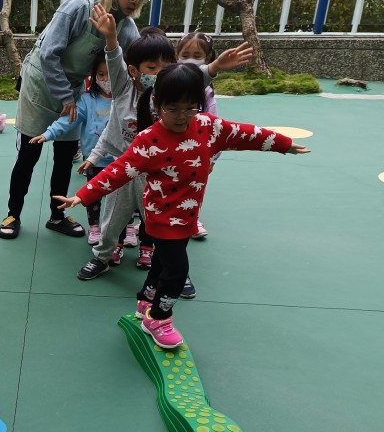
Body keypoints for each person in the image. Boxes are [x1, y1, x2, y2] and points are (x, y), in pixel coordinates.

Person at [54, 63, 310, 349]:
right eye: (173, 109)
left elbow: (245, 133)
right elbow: (118, 170)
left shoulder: (208, 127)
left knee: (161, 264)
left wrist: (283, 144)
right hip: (161, 218)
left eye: (190, 108)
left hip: (188, 215)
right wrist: (83, 195)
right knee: (176, 272)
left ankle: (145, 301)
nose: (182, 116)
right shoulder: (149, 141)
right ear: (157, 105)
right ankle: (158, 319)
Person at [0, 0, 152, 241]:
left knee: (65, 154)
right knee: (29, 153)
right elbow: (49, 54)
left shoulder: (127, 28)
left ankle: (57, 216)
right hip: (40, 84)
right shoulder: (79, 6)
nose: (136, 0)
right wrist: (66, 98)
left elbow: (134, 68)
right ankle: (13, 214)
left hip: (73, 89)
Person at [72, 22, 176, 280]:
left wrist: (214, 69)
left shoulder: (168, 96)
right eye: (152, 67)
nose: (159, 73)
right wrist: (110, 38)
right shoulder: (123, 89)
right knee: (111, 220)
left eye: (165, 67)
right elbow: (111, 131)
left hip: (154, 174)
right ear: (133, 71)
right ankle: (102, 257)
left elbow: (193, 83)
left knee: (160, 223)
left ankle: (175, 270)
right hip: (123, 169)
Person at [29, 49, 112, 246]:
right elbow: (68, 120)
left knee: (120, 199)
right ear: (93, 75)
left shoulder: (125, 99)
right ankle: (94, 227)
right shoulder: (87, 100)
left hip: (120, 160)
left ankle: (124, 229)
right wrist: (48, 134)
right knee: (93, 196)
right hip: (94, 159)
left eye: (110, 74)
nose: (105, 79)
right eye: (101, 74)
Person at [176, 31, 219, 240]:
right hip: (171, 144)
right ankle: (150, 215)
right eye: (185, 55)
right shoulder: (170, 84)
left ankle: (191, 220)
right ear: (176, 56)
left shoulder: (207, 92)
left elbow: (214, 124)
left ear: (208, 58)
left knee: (193, 185)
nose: (190, 60)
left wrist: (212, 156)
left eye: (197, 55)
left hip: (196, 149)